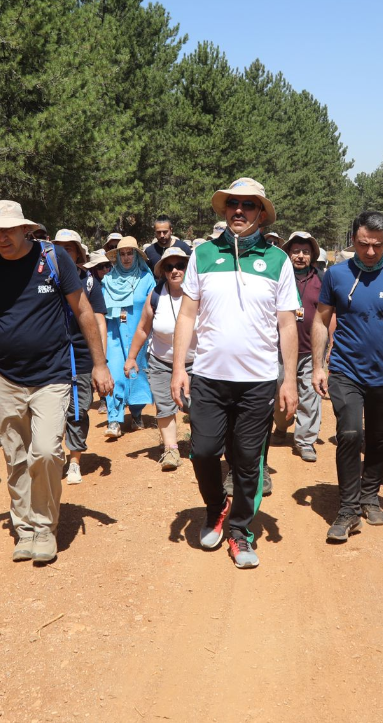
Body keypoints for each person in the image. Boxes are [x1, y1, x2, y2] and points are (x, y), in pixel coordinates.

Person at [0, 200, 113, 564]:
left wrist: (100, 365)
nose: (2, 237)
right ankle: (25, 528)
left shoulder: (53, 259)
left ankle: (45, 525)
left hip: (52, 374)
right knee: (15, 455)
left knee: (44, 451)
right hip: (5, 376)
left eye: (9, 229)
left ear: (25, 229)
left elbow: (83, 310)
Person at [170, 177, 299, 569]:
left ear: (261, 213)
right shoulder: (204, 253)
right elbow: (187, 314)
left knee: (246, 460)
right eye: (232, 205)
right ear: (225, 211)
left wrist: (289, 379)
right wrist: (179, 368)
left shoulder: (277, 260)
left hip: (258, 381)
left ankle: (240, 529)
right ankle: (215, 510)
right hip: (209, 376)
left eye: (248, 205)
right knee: (203, 450)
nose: (238, 211)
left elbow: (288, 325)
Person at [311, 210, 383, 543]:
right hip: (346, 370)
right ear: (354, 240)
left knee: (379, 438)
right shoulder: (336, 275)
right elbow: (321, 321)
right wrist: (319, 365)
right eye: (364, 244)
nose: (371, 252)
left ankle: (369, 494)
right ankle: (347, 510)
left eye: (378, 245)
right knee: (349, 433)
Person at [124, 246, 195, 471]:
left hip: (197, 363)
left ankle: (199, 443)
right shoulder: (155, 296)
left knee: (198, 407)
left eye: (180, 265)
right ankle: (171, 450)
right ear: (163, 271)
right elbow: (143, 329)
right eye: (169, 267)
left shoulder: (200, 294)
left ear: (188, 268)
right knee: (165, 406)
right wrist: (131, 357)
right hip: (161, 362)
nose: (175, 270)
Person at [52, 229, 107, 485]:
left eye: (69, 248)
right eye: (59, 248)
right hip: (52, 355)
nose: (64, 253)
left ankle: (74, 460)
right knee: (53, 409)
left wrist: (102, 362)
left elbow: (98, 320)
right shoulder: (46, 280)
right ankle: (54, 455)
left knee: (79, 409)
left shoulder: (89, 282)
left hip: (83, 356)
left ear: (78, 253)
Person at [274, 231, 324, 462]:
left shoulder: (321, 280)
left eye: (305, 251)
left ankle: (305, 441)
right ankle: (282, 427)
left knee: (310, 396)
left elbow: (329, 314)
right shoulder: (277, 276)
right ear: (288, 254)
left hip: (311, 349)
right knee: (278, 393)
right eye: (295, 251)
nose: (301, 256)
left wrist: (329, 347)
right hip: (279, 349)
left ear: (313, 254)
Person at [102, 237, 156, 437]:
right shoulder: (108, 280)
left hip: (139, 334)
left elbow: (153, 308)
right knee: (115, 373)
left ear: (136, 256)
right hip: (114, 335)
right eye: (122, 254)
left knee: (137, 374)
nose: (126, 258)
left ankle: (136, 414)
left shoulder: (146, 278)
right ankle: (114, 419)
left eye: (130, 253)